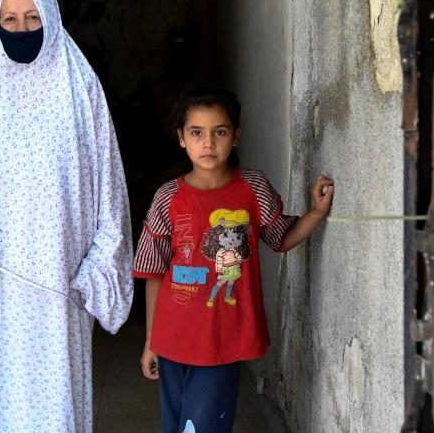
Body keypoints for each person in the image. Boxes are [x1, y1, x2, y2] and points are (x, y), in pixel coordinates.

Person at [0, 0, 133, 433]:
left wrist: (100, 262)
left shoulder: (80, 86)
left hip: (59, 272)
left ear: (52, 20)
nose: (21, 29)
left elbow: (109, 180)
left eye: (32, 18)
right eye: (9, 20)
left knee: (55, 394)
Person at [133, 86, 334, 433]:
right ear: (181, 138)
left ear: (236, 136)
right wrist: (152, 341)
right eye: (197, 133)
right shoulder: (168, 198)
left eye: (220, 132)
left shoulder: (252, 189)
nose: (208, 143)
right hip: (173, 337)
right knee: (175, 426)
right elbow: (154, 272)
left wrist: (316, 213)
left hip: (222, 339)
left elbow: (281, 238)